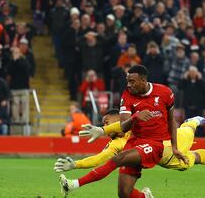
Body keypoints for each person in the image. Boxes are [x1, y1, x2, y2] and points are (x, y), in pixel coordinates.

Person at [60, 65, 186, 197]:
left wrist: (174, 147)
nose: (129, 85)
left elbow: (172, 120)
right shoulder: (127, 95)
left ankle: (73, 184)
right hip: (134, 142)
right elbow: (124, 126)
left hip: (154, 145)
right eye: (128, 81)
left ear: (143, 80)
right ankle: (145, 197)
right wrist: (135, 117)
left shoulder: (165, 92)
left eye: (132, 81)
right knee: (124, 193)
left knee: (118, 158)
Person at [54, 110, 205, 173]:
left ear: (117, 118)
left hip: (168, 141)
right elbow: (98, 159)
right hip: (164, 158)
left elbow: (125, 123)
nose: (105, 125)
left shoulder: (130, 123)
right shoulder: (116, 145)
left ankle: (192, 121)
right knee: (191, 160)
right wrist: (76, 164)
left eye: (106, 121)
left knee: (185, 131)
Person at [6, 47, 31, 124]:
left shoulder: (24, 61)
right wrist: (14, 61)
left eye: (17, 53)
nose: (15, 54)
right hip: (14, 87)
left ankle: (24, 120)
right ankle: (15, 120)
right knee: (15, 105)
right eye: (14, 53)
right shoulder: (11, 62)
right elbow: (9, 70)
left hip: (24, 87)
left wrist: (18, 60)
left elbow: (26, 69)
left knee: (24, 105)